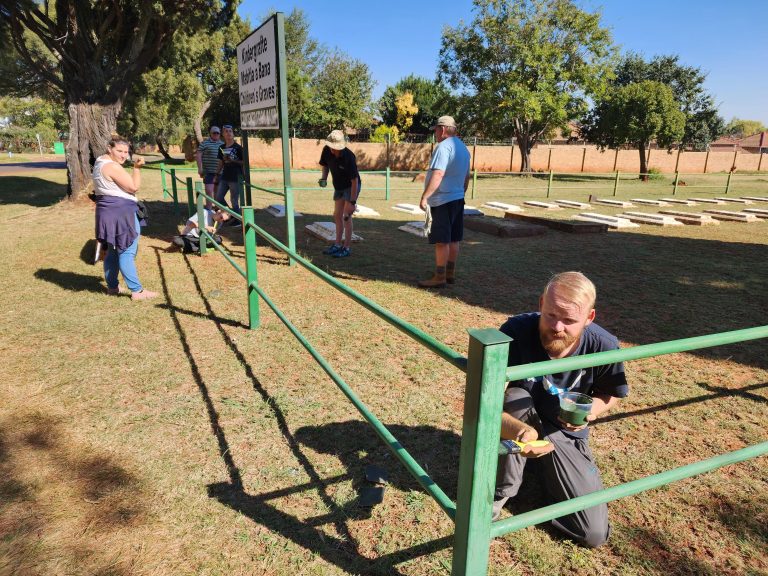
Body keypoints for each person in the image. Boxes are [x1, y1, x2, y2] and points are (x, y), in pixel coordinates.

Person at [494, 271, 628, 547]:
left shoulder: (604, 345)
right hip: (520, 419)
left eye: (569, 320)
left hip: (563, 430)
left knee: (592, 534)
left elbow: (612, 393)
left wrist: (590, 413)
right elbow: (483, 400)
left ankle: (545, 472)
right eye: (551, 314)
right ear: (541, 303)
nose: (557, 327)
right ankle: (498, 495)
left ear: (589, 318)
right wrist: (519, 432)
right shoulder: (514, 333)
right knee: (516, 396)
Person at [93, 136, 158, 301]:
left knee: (113, 251)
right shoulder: (111, 166)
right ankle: (137, 291)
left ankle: (113, 287)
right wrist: (137, 168)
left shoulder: (100, 162)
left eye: (126, 152)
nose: (123, 155)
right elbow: (133, 187)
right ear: (109, 148)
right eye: (119, 151)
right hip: (121, 213)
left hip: (108, 211)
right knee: (127, 250)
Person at [418, 115, 471, 288]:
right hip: (457, 199)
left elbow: (438, 174)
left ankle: (439, 276)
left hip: (442, 200)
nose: (435, 134)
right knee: (454, 239)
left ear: (442, 129)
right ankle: (450, 273)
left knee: (442, 241)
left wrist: (425, 196)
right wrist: (461, 191)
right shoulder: (463, 148)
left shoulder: (443, 147)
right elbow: (466, 176)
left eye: (436, 131)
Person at [318, 129, 361, 258]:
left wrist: (352, 202)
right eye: (331, 146)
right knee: (337, 215)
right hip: (339, 187)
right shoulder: (326, 150)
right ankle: (337, 244)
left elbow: (355, 180)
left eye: (334, 148)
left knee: (346, 216)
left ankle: (346, 248)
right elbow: (325, 164)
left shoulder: (349, 157)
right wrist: (324, 178)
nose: (332, 150)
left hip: (351, 186)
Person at [214, 124, 244, 222]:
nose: (228, 133)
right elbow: (220, 163)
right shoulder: (221, 147)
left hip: (236, 177)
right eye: (226, 131)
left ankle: (237, 220)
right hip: (224, 176)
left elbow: (244, 162)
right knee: (218, 198)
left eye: (230, 131)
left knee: (234, 200)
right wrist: (216, 174)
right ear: (223, 134)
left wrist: (233, 161)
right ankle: (230, 214)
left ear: (233, 134)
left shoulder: (238, 147)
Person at [196, 126, 223, 209]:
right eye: (214, 133)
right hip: (208, 172)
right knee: (209, 191)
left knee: (217, 193)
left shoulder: (222, 144)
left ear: (219, 134)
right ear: (210, 134)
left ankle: (217, 210)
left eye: (217, 133)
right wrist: (200, 168)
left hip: (220, 172)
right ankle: (208, 209)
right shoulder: (204, 143)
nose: (216, 134)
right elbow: (198, 156)